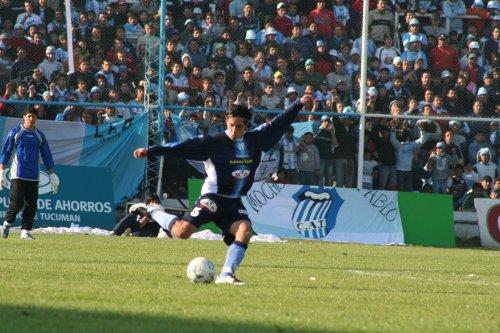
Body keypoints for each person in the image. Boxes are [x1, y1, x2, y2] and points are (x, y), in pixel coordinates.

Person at [134, 93, 312, 285]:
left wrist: (299, 103)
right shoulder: (214, 142)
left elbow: (280, 122)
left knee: (245, 230)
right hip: (212, 197)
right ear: (226, 121)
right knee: (181, 232)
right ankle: (153, 211)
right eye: (231, 125)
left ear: (247, 126)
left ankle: (226, 274)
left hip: (233, 201)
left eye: (239, 126)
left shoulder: (256, 139)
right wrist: (152, 150)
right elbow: (181, 147)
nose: (234, 130)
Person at [0, 108, 59, 240]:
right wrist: (2, 172)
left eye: (33, 116)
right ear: (24, 117)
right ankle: (7, 223)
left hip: (33, 176)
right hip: (18, 174)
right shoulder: (15, 132)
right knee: (17, 202)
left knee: (31, 204)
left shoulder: (39, 135)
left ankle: (25, 232)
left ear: (36, 118)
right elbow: (6, 152)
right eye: (29, 116)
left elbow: (47, 155)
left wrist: (52, 175)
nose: (31, 119)